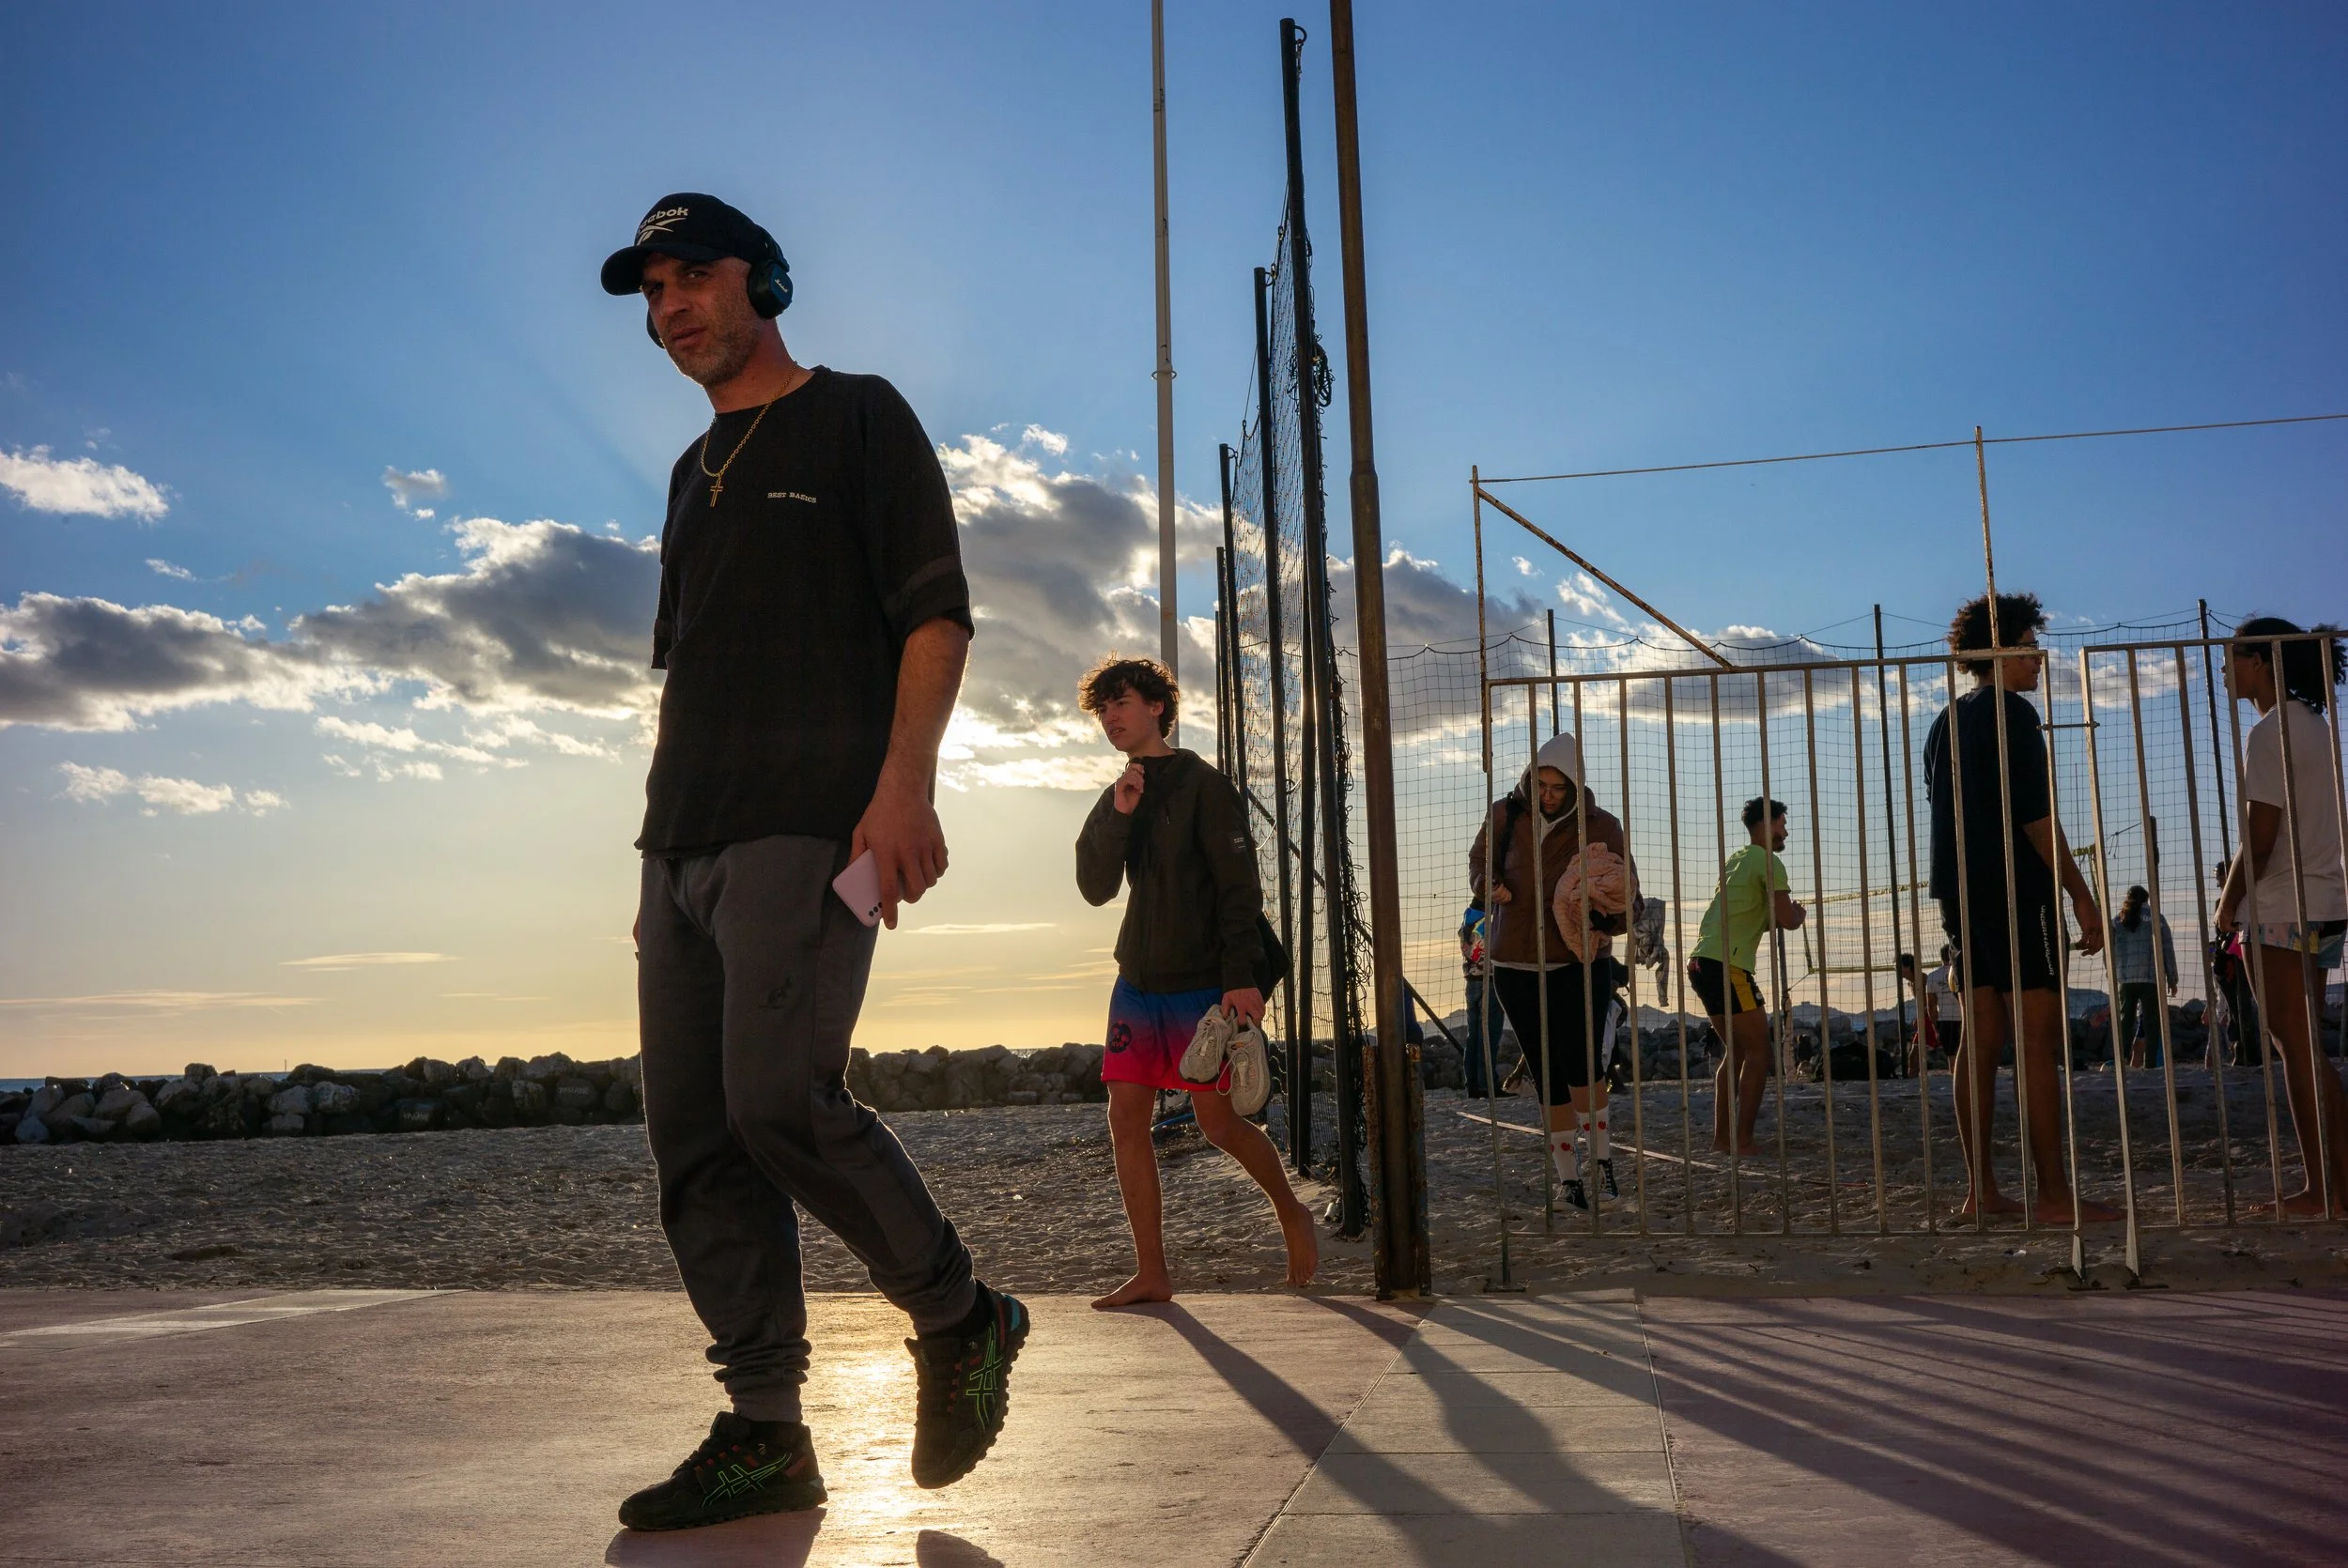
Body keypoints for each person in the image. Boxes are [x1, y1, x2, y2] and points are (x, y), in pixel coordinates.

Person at [606, 194, 1026, 1531]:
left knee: (780, 1097)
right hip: (680, 840)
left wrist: (904, 785)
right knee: (694, 1135)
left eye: (694, 277)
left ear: (763, 281)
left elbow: (934, 613)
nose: (672, 306)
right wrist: (661, 862)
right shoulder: (690, 475)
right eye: (652, 289)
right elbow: (700, 673)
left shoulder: (859, 415)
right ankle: (766, 1429)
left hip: (810, 820)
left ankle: (961, 1313)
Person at [1074, 654, 1319, 1307]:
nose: (1111, 718)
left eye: (1121, 703)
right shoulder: (1122, 792)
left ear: (1157, 706)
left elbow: (1241, 891)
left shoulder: (1204, 786)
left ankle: (1290, 1210)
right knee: (1126, 1119)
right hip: (1137, 979)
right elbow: (1094, 888)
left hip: (1201, 984)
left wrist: (1240, 981)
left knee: (1218, 1123)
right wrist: (1118, 814)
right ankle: (1152, 1271)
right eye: (1103, 710)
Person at [1924, 591, 2117, 1223]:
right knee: (2035, 1042)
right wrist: (2082, 896)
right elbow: (2036, 820)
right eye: (2032, 647)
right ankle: (2055, 1198)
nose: (2039, 659)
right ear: (2003, 648)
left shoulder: (1945, 721)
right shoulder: (2013, 717)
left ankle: (1981, 1193)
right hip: (2016, 892)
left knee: (1976, 1046)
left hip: (1959, 895)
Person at [1468, 732, 1639, 1210]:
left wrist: (1609, 917)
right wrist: (1489, 886)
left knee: (1586, 1064)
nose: (1546, 795)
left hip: (1579, 963)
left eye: (1556, 787)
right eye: (1539, 784)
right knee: (1545, 1072)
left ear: (1575, 785)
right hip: (1514, 964)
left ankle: (1603, 1170)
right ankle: (1569, 1182)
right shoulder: (1505, 815)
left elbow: (1627, 887)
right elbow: (1480, 860)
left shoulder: (1602, 824)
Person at [2215, 617, 2348, 1217]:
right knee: (2309, 1047)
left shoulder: (2269, 734)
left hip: (2281, 907)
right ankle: (2333, 1187)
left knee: (2298, 1050)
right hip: (2324, 902)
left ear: (2260, 662)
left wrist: (2227, 901)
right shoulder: (2315, 726)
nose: (2224, 670)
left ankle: (2325, 1191)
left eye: (2231, 658)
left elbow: (2261, 835)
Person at [1691, 798, 1804, 1155]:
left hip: (1701, 961)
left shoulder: (1737, 861)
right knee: (1759, 1053)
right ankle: (1742, 1140)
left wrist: (1782, 917)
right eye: (1782, 824)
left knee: (1737, 1051)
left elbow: (1752, 917)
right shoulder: (1770, 861)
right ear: (1766, 825)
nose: (1785, 831)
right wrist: (1798, 915)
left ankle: (1723, 1140)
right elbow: (1786, 920)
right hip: (1728, 965)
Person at [2107, 885, 2179, 1070]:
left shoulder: (2117, 920)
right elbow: (2167, 948)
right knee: (2152, 1022)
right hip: (2151, 978)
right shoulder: (2156, 917)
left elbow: (2110, 950)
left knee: (2125, 1020)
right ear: (2147, 898)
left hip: (2125, 978)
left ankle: (2121, 1060)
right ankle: (2151, 1064)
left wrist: (2112, 973)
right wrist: (2172, 977)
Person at [1460, 904, 1502, 1098]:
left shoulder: (1467, 924)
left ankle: (1473, 1085)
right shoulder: (1488, 923)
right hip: (1490, 982)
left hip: (1472, 982)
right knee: (1489, 1035)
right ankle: (1488, 1085)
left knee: (1473, 1035)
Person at [1897, 951, 1945, 1073]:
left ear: (1907, 967)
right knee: (1915, 1054)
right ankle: (1913, 1079)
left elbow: (1932, 1000)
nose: (1896, 969)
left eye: (1899, 966)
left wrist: (1928, 1016)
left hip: (1929, 1018)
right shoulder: (1910, 982)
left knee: (1915, 1054)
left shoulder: (1923, 978)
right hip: (1924, 1018)